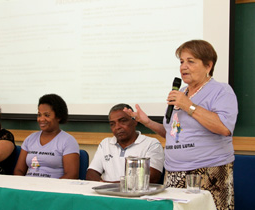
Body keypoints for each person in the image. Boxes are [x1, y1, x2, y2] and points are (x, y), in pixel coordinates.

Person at [123, 40, 238, 210]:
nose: (183, 67)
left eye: (190, 61)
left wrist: (188, 105)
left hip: (208, 171)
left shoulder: (221, 90)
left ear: (208, 65)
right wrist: (146, 122)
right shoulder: (180, 93)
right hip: (173, 172)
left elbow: (224, 127)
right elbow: (172, 134)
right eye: (181, 61)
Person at [86, 103, 164, 183]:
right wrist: (106, 187)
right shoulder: (105, 144)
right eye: (112, 124)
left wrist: (109, 186)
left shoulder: (151, 144)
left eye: (123, 121)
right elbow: (91, 174)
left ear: (135, 122)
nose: (117, 127)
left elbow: (151, 178)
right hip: (107, 194)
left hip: (136, 194)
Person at [14, 94, 79, 179]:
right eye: (39, 115)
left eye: (47, 115)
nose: (41, 119)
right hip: (28, 188)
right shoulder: (30, 139)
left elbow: (72, 175)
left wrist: (50, 188)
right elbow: (19, 170)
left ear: (58, 116)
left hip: (52, 190)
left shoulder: (68, 141)